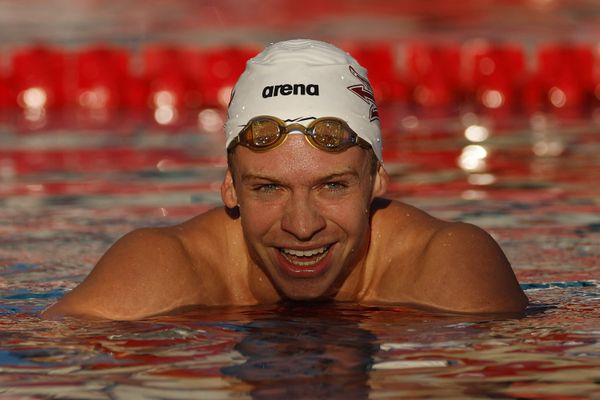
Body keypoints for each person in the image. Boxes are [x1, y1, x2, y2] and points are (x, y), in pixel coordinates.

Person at [42, 39, 528, 320]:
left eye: (332, 185)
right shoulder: (163, 270)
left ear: (377, 179)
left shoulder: (448, 267)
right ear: (230, 188)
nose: (301, 226)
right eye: (268, 188)